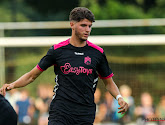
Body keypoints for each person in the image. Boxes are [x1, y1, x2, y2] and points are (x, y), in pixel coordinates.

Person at [0, 7, 128, 125]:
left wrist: (119, 97)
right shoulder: (57, 50)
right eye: (83, 25)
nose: (87, 30)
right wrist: (13, 85)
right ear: (72, 24)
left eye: (90, 26)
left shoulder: (97, 53)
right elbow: (32, 75)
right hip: (60, 111)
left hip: (85, 112)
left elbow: (109, 83)